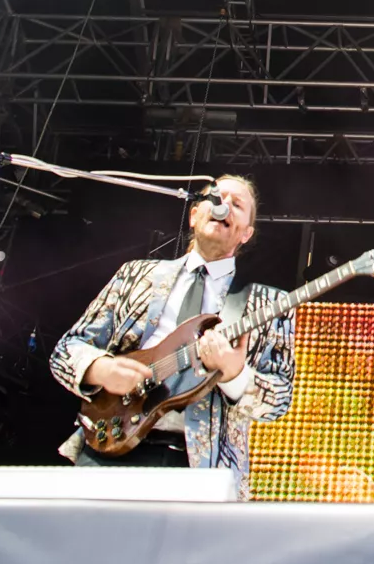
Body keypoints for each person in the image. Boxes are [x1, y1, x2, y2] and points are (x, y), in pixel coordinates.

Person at [49, 175, 294, 499]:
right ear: (194, 215)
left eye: (237, 205)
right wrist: (100, 369)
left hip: (199, 467)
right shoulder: (136, 274)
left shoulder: (268, 303)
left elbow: (279, 400)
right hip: (107, 447)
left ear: (246, 233)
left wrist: (235, 374)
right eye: (216, 198)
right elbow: (66, 350)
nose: (224, 206)